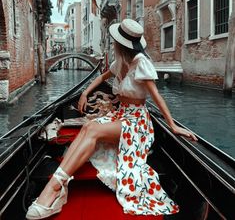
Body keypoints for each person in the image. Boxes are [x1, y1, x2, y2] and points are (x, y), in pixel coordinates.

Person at [26, 19, 197, 219]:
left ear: (119, 44)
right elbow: (100, 77)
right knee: (88, 126)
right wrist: (84, 93)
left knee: (93, 130)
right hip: (121, 114)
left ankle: (54, 187)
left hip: (137, 123)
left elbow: (157, 97)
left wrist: (173, 126)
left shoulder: (141, 63)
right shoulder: (120, 63)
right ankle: (57, 185)